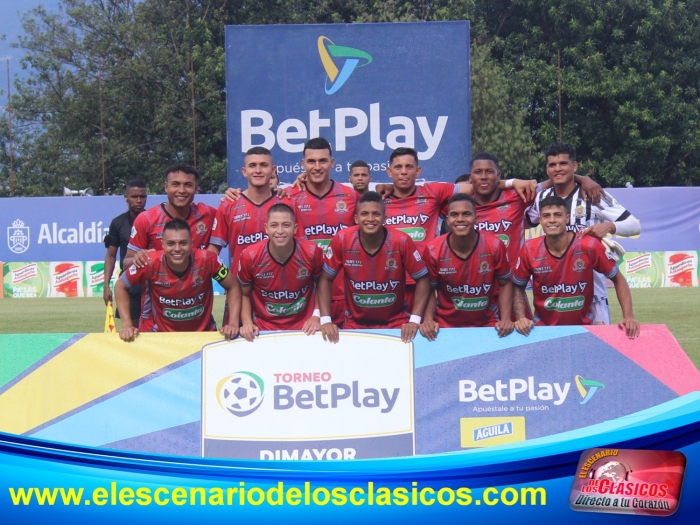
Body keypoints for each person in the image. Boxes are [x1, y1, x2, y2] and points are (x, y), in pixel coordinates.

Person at [383, 147, 536, 311]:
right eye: (398, 167)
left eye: (409, 167)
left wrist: (512, 182)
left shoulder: (433, 192)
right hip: (389, 281)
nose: (404, 172)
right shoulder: (379, 199)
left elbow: (480, 185)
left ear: (418, 171)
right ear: (389, 172)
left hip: (424, 281)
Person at [526, 142, 641, 324]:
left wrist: (609, 226)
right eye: (552, 165)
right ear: (547, 169)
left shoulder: (592, 193)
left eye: (563, 163)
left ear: (574, 166)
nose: (558, 169)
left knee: (596, 342)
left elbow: (634, 225)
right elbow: (524, 222)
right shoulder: (543, 197)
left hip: (593, 295)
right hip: (555, 296)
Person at [513, 195, 640, 338]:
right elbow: (517, 286)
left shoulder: (589, 245)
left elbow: (618, 279)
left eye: (558, 215)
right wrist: (521, 317)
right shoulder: (529, 249)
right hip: (544, 331)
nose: (552, 220)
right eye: (546, 216)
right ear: (540, 220)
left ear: (567, 218)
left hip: (584, 330)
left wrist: (628, 316)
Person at [318, 191, 430, 343]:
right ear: (356, 218)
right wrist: (325, 320)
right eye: (364, 214)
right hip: (354, 323)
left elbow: (423, 279)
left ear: (385, 218)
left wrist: (415, 320)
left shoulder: (401, 241)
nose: (370, 219)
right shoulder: (342, 239)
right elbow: (325, 279)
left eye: (376, 214)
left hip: (396, 322)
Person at [124, 163, 217, 331]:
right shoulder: (147, 219)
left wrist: (233, 195)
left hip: (197, 316)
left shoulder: (208, 214)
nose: (181, 190)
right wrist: (138, 259)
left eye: (188, 185)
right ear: (166, 187)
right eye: (175, 184)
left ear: (196, 188)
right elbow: (126, 263)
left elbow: (234, 215)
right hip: (156, 321)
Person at [115, 219, 241, 341]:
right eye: (171, 243)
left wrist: (233, 323)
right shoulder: (149, 262)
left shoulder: (208, 259)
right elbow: (120, 286)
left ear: (192, 243)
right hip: (161, 337)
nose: (177, 249)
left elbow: (233, 286)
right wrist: (127, 325)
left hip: (203, 335)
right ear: (162, 244)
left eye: (183, 243)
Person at [420, 194, 515, 340]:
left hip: (487, 323)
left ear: (476, 219)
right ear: (447, 220)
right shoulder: (433, 250)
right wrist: (428, 320)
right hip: (445, 324)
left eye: (466, 214)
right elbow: (429, 288)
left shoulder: (494, 246)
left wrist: (506, 319)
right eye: (454, 215)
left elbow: (505, 283)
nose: (460, 219)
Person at [237, 204, 323, 341]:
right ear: (266, 228)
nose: (280, 231)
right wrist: (247, 322)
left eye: (286, 225)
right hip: (263, 329)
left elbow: (322, 286)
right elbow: (244, 294)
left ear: (295, 228)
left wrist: (316, 316)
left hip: (305, 328)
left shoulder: (312, 252)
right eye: (274, 225)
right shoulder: (250, 256)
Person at [103, 179, 147, 321]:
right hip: (130, 283)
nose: (139, 200)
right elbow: (111, 255)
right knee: (130, 329)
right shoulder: (118, 223)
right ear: (126, 197)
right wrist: (106, 285)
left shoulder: (154, 220)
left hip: (152, 283)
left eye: (142, 196)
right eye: (134, 196)